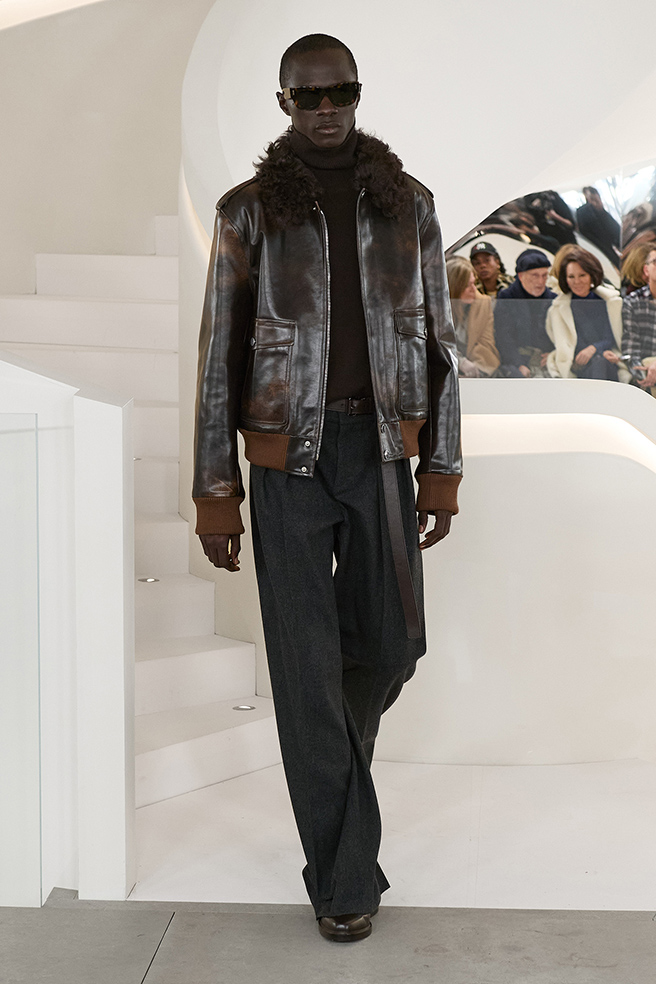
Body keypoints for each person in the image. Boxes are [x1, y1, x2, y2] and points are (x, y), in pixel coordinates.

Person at [192, 34, 462, 943]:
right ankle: (343, 880)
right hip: (286, 468)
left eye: (339, 91)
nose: (325, 108)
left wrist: (441, 471)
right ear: (284, 103)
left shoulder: (409, 205)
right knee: (305, 668)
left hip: (381, 453)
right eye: (307, 96)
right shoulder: (247, 213)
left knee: (391, 646)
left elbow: (441, 348)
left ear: (357, 92)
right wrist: (216, 493)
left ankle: (332, 775)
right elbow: (218, 363)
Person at [545, 247, 624, 381]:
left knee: (601, 362)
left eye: (582, 275)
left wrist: (595, 349)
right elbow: (562, 343)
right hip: (576, 365)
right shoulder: (557, 309)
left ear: (592, 275)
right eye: (571, 277)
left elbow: (610, 338)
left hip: (606, 359)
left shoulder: (608, 303)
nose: (577, 282)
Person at [494, 249, 556, 377]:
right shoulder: (506, 298)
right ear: (521, 276)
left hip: (546, 360)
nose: (541, 281)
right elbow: (503, 336)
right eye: (535, 275)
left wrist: (554, 355)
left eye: (544, 275)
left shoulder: (554, 299)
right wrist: (518, 364)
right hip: (517, 360)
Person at [446, 256, 500, 376]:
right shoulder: (438, 307)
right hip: (447, 369)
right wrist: (459, 361)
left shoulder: (483, 304)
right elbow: (436, 344)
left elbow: (486, 344)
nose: (473, 289)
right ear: (454, 286)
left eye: (474, 283)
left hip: (477, 370)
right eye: (467, 285)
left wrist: (475, 370)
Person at [622, 245, 656, 394]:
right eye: (655, 262)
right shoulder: (632, 301)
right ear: (646, 270)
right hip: (644, 375)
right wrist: (644, 375)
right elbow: (630, 351)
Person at [576, 187, 620, 267]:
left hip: (609, 237)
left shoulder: (601, 209)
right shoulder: (582, 211)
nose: (594, 200)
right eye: (591, 198)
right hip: (599, 243)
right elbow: (584, 231)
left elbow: (613, 226)